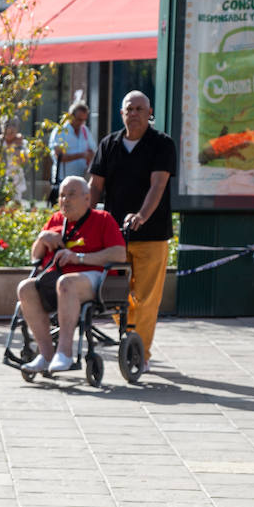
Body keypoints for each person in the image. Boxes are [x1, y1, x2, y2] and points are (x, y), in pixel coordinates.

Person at [88, 91, 176, 371]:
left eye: (140, 108)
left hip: (152, 234)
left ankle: (141, 353)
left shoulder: (161, 144)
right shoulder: (109, 144)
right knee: (115, 295)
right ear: (121, 112)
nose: (134, 113)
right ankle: (132, 339)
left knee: (147, 298)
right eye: (129, 108)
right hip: (114, 236)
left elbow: (158, 185)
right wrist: (85, 219)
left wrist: (141, 215)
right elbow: (95, 187)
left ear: (149, 112)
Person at [17, 177, 127, 373]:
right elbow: (36, 256)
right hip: (55, 279)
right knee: (25, 288)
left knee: (66, 283)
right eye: (61, 195)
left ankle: (65, 353)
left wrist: (80, 258)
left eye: (71, 195)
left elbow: (119, 254)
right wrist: (43, 238)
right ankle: (46, 355)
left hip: (94, 278)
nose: (65, 200)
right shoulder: (55, 220)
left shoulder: (103, 219)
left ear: (87, 198)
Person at [0, 118, 29, 204]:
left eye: (13, 126)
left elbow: (22, 161)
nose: (10, 128)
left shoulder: (22, 143)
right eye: (7, 126)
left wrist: (18, 146)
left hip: (16, 183)